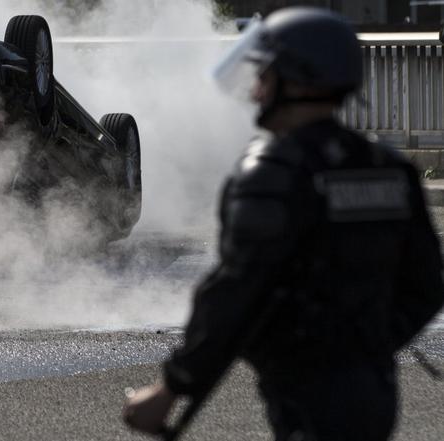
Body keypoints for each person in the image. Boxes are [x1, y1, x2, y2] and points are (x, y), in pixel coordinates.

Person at [123, 7, 444, 441]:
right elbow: (426, 284)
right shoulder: (387, 166)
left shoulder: (273, 171)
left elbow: (233, 293)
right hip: (375, 391)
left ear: (297, 80)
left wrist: (170, 388)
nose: (256, 91)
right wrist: (368, 344)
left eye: (266, 75)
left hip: (306, 394)